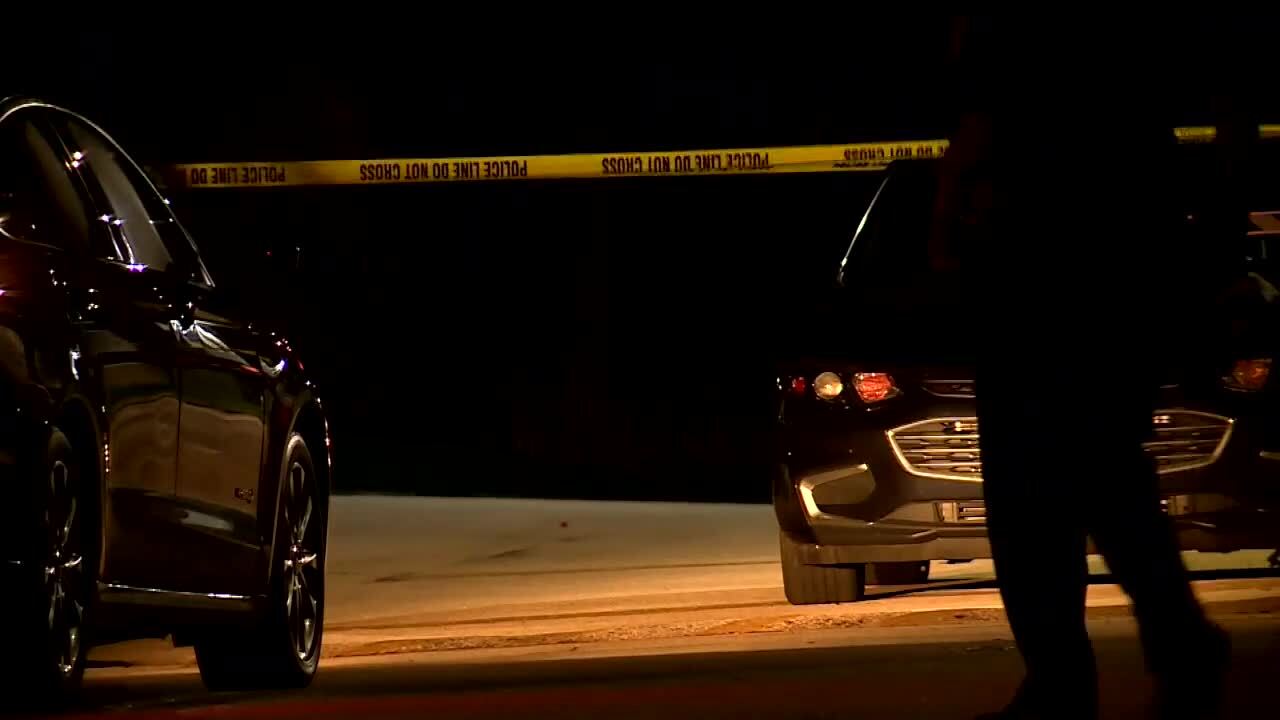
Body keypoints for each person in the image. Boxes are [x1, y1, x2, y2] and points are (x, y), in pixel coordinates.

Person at [932, 16, 1259, 720]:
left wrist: (955, 227)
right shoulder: (1111, 88)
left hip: (1061, 286)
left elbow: (980, 132)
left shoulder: (1047, 91)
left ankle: (1087, 669)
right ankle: (1154, 648)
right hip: (1083, 285)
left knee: (1054, 490)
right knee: (1097, 482)